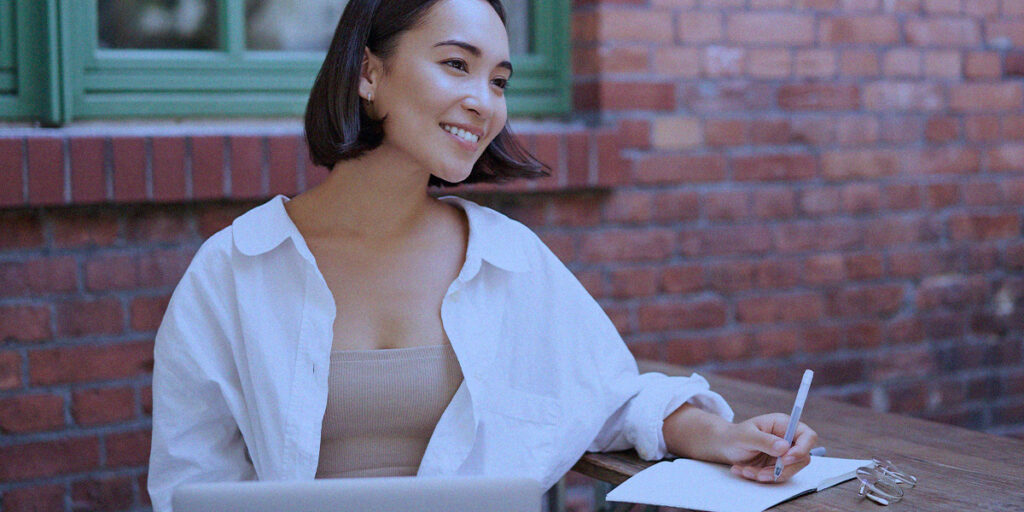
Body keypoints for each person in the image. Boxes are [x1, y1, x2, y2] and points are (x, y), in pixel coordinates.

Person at [147, 0, 818, 510]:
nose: (484, 102)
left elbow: (609, 395)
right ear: (369, 72)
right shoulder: (235, 268)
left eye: (498, 80)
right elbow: (190, 481)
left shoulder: (504, 259)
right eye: (456, 65)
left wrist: (725, 438)